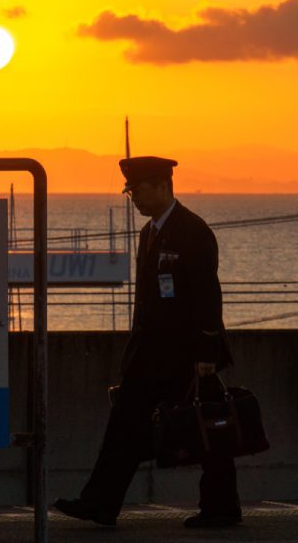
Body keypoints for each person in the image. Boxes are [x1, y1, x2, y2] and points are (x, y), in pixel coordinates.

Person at [53, 155, 240, 529]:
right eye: (130, 192)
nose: (133, 198)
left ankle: (221, 508)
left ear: (162, 185)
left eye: (137, 190)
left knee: (206, 429)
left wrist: (206, 351)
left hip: (186, 356)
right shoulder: (149, 233)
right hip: (150, 355)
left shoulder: (193, 231)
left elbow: (207, 295)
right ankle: (100, 503)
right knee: (125, 425)